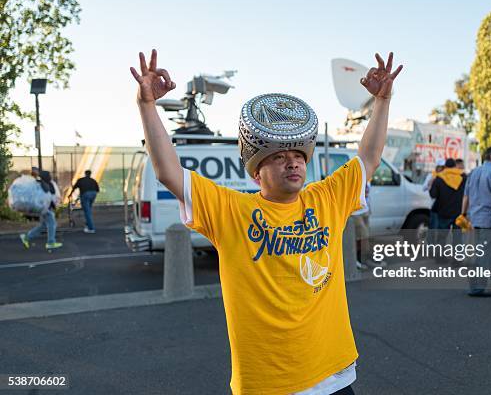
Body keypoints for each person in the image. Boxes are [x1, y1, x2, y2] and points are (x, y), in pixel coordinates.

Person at [130, 49, 402, 394]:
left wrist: (382, 100)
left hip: (335, 374)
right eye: (278, 158)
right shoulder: (231, 211)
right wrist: (146, 106)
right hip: (269, 383)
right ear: (257, 173)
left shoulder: (327, 198)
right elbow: (168, 172)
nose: (292, 164)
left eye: (298, 156)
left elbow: (369, 156)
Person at [460, 146, 491, 297]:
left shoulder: (474, 172)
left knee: (485, 251)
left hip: (476, 219)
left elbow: (466, 196)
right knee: (485, 254)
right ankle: (477, 287)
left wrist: (463, 214)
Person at [428, 159, 466, 252]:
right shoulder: (463, 177)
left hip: (443, 212)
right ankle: (457, 259)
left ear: (445, 166)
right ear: (455, 166)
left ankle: (439, 257)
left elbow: (433, 195)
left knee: (442, 237)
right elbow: (467, 194)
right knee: (457, 237)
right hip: (458, 212)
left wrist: (431, 185)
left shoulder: (439, 178)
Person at [20, 170, 62, 250]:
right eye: (48, 175)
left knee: (43, 225)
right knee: (52, 224)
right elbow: (48, 193)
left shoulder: (42, 182)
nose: (50, 176)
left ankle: (26, 237)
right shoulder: (44, 183)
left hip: (43, 207)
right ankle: (51, 242)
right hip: (44, 208)